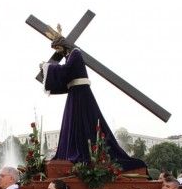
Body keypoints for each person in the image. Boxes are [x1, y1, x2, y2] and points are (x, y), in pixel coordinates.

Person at [39, 35, 146, 172]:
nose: (58, 51)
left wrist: (47, 67)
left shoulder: (76, 53)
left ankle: (88, 153)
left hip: (82, 94)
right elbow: (65, 78)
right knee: (72, 123)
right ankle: (73, 151)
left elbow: (66, 70)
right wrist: (48, 70)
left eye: (58, 48)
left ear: (63, 45)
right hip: (74, 95)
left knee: (86, 122)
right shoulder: (69, 57)